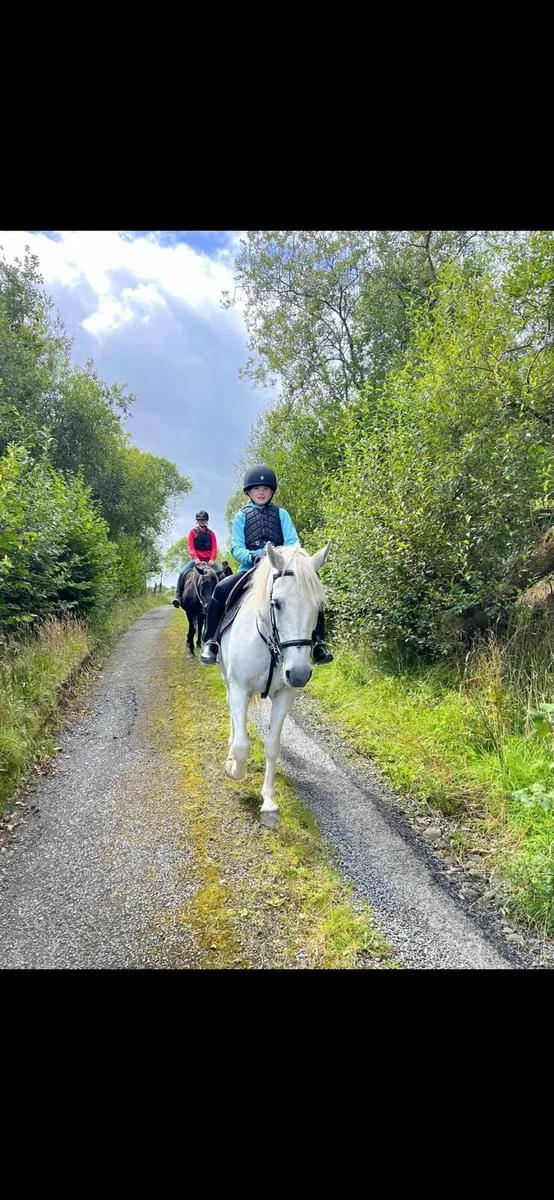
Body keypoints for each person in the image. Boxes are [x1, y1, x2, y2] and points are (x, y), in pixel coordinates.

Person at [199, 466, 333, 665]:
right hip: (250, 569)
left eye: (265, 489)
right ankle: (210, 641)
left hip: (280, 568)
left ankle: (318, 643)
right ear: (249, 492)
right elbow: (236, 547)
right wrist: (253, 557)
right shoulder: (241, 516)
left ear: (272, 491)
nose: (261, 492)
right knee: (220, 588)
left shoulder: (282, 514)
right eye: (256, 489)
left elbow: (292, 542)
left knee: (312, 585)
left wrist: (280, 556)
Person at [173, 511, 222, 607]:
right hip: (196, 561)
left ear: (207, 521)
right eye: (200, 520)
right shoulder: (192, 532)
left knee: (222, 574)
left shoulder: (211, 534)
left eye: (203, 520)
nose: (202, 522)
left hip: (209, 560)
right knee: (182, 573)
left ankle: (223, 597)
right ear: (197, 521)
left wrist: (212, 559)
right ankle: (178, 596)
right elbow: (191, 547)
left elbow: (214, 548)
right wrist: (195, 558)